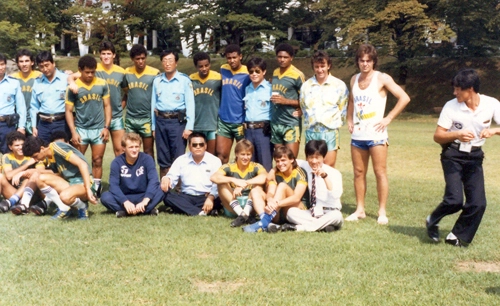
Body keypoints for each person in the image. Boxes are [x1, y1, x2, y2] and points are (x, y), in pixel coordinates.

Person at [426, 69, 500, 247]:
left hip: (475, 157)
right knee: (454, 200)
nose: (455, 93)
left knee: (478, 203)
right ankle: (432, 219)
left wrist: (494, 130)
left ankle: (456, 237)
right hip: (453, 155)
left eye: (458, 89)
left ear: (471, 89)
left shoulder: (491, 104)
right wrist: (457, 134)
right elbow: (438, 136)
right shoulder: (451, 106)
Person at [346, 44, 410, 225]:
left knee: (380, 172)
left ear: (374, 61)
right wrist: (349, 119)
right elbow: (351, 101)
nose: (365, 64)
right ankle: (360, 209)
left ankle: (382, 211)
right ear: (357, 61)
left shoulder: (382, 78)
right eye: (361, 60)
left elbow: (404, 98)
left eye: (368, 61)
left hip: (377, 135)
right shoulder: (354, 79)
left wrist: (388, 118)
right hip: (358, 136)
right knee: (358, 172)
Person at [68, 41, 127, 156]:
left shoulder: (121, 71)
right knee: (89, 155)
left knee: (120, 150)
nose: (106, 56)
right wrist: (71, 83)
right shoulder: (93, 69)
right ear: (100, 55)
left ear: (114, 55)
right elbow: (72, 76)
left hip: (116, 117)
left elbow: (127, 92)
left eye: (109, 54)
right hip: (98, 119)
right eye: (103, 54)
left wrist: (121, 106)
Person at [65, 55, 112, 196]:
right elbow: (68, 111)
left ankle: (96, 188)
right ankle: (79, 187)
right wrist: (73, 132)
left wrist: (106, 127)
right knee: (78, 161)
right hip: (81, 129)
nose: (90, 75)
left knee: (97, 160)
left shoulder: (102, 84)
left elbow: (107, 106)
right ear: (80, 70)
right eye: (87, 72)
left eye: (93, 72)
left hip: (98, 129)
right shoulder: (74, 87)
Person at [22, 136, 98, 220]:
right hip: (70, 183)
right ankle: (64, 208)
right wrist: (36, 171)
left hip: (84, 182)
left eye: (35, 156)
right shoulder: (50, 156)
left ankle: (82, 207)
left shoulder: (57, 147)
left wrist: (88, 189)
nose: (35, 160)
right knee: (40, 178)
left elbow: (82, 164)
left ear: (42, 148)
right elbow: (57, 174)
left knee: (65, 196)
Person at [281, 140, 343, 232]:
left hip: (331, 211)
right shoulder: (304, 165)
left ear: (324, 157)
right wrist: (274, 170)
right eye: (311, 157)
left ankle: (299, 228)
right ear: (307, 157)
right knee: (291, 213)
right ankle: (324, 226)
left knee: (336, 216)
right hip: (313, 212)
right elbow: (288, 162)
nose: (314, 161)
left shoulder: (334, 173)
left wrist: (325, 177)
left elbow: (335, 195)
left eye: (317, 157)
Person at [299, 50, 348, 168]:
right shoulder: (306, 86)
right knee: (312, 165)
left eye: (322, 66)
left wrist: (333, 123)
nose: (320, 69)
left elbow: (343, 107)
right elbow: (303, 106)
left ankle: (329, 187)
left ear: (328, 65)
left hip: (329, 131)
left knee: (328, 167)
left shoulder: (339, 85)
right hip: (311, 131)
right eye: (317, 66)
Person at [243, 145, 308, 233]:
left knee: (282, 186)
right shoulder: (276, 173)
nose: (280, 164)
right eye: (277, 161)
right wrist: (270, 200)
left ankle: (263, 222)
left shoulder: (299, 172)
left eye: (283, 160)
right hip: (276, 211)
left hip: (296, 209)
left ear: (292, 159)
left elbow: (296, 198)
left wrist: (277, 204)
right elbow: (270, 191)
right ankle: (267, 223)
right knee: (255, 191)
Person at [151, 50, 195, 178]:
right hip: (161, 122)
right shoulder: (157, 81)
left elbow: (190, 105)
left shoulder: (184, 80)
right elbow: (153, 106)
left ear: (176, 62)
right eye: (164, 61)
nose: (167, 64)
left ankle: (179, 190)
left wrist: (189, 127)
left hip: (177, 122)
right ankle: (165, 191)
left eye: (170, 60)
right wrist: (153, 127)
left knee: (179, 157)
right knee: (163, 157)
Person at [100, 133, 162, 217]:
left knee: (163, 189)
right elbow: (114, 186)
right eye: (131, 147)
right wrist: (125, 202)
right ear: (123, 148)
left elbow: (153, 181)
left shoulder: (147, 159)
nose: (134, 150)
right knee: (105, 197)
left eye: (137, 147)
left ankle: (125, 212)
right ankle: (146, 210)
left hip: (143, 195)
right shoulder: (116, 162)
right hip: (125, 196)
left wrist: (145, 201)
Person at [161, 132, 221, 216]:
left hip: (207, 196)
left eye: (201, 144)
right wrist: (167, 179)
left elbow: (217, 184)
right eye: (194, 145)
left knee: (221, 198)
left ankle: (184, 209)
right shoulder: (181, 160)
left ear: (206, 146)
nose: (198, 147)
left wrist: (211, 197)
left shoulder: (214, 161)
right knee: (166, 196)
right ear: (189, 146)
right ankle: (201, 212)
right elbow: (172, 176)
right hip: (186, 196)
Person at [211, 139, 267, 227]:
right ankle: (243, 215)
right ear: (236, 154)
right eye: (243, 154)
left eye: (248, 154)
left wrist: (244, 184)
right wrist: (233, 180)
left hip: (251, 205)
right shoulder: (229, 166)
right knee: (222, 183)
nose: (245, 157)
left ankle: (244, 215)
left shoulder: (256, 166)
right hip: (233, 205)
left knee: (258, 185)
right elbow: (213, 177)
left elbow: (264, 177)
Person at [122, 44, 159, 158]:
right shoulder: (127, 73)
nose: (140, 61)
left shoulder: (155, 73)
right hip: (131, 118)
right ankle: (132, 175)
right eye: (137, 59)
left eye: (143, 58)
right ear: (132, 59)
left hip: (147, 118)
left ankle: (150, 175)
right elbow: (126, 93)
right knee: (130, 150)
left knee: (148, 151)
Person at [216, 44, 251, 164]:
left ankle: (241, 182)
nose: (232, 60)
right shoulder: (223, 69)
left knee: (242, 157)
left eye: (234, 57)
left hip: (240, 121)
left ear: (240, 56)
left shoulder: (248, 72)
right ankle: (224, 182)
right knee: (221, 156)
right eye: (229, 58)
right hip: (224, 120)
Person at [271, 43, 305, 158]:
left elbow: (306, 101)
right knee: (280, 161)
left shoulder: (297, 75)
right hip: (276, 123)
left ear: (291, 58)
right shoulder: (275, 72)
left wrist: (286, 101)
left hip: (291, 123)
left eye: (285, 57)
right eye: (279, 57)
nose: (282, 60)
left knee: (291, 160)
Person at [0, 131, 47, 214]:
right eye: (17, 145)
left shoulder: (33, 154)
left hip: (31, 195)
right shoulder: (7, 157)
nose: (20, 147)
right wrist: (27, 165)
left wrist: (25, 173)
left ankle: (20, 203)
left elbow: (42, 171)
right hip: (13, 192)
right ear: (10, 147)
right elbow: (9, 176)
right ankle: (13, 203)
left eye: (22, 144)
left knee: (29, 178)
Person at [30, 51, 70, 144]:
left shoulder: (66, 79)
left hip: (61, 122)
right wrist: (33, 126)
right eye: (41, 66)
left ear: (53, 63)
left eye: (47, 65)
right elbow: (34, 106)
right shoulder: (37, 82)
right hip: (43, 124)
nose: (45, 69)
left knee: (61, 153)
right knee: (43, 153)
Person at [244, 57, 273, 171]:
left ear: (264, 72)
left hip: (263, 131)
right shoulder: (247, 89)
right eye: (251, 72)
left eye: (257, 71)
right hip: (248, 131)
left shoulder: (270, 88)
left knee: (264, 164)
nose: (254, 74)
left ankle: (267, 188)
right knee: (249, 164)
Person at [190, 52, 221, 155]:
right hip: (196, 125)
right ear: (196, 67)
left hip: (212, 125)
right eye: (201, 66)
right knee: (197, 155)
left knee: (211, 156)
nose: (204, 68)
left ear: (210, 64)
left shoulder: (218, 78)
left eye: (206, 65)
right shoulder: (190, 79)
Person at [11, 49, 42, 136]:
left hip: (36, 119)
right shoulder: (13, 79)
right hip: (18, 121)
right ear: (17, 63)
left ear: (32, 62)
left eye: (27, 61)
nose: (24, 64)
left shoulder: (40, 76)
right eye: (21, 61)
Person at [0, 53, 26, 154]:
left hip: (7, 125)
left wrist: (21, 126)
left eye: (2, 64)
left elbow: (21, 107)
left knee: (9, 154)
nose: (0, 67)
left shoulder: (14, 83)